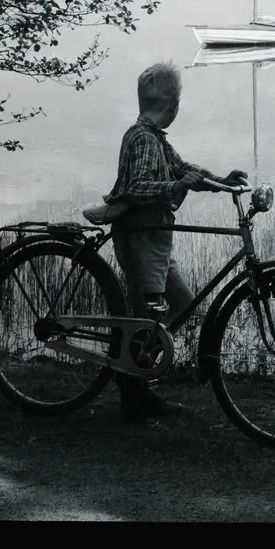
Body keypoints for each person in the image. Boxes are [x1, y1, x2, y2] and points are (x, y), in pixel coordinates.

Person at [104, 61, 248, 423]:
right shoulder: (142, 138)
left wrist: (222, 182)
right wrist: (174, 187)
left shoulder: (154, 138)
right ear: (173, 105)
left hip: (156, 237)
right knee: (147, 316)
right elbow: (137, 188)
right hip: (142, 236)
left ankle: (138, 370)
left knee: (183, 301)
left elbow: (185, 170)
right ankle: (134, 390)